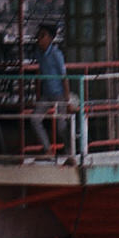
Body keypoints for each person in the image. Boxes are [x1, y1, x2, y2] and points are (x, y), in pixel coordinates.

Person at [29, 22, 73, 159]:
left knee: (61, 126)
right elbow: (40, 74)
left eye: (43, 35)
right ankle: (47, 149)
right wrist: (38, 94)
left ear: (50, 38)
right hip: (46, 94)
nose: (39, 38)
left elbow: (64, 77)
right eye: (39, 35)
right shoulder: (39, 54)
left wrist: (67, 99)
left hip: (59, 94)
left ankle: (69, 150)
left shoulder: (56, 54)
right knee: (34, 119)